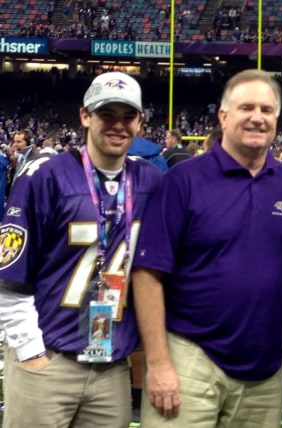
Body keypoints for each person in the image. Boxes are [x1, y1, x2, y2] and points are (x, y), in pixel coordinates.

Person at [131, 69, 282, 427]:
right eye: (246, 107)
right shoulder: (184, 180)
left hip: (266, 366)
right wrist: (159, 362)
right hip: (189, 356)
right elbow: (147, 274)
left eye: (267, 110)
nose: (257, 117)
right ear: (223, 116)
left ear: (278, 120)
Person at [0, 71, 162, 427]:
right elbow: (10, 277)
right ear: (85, 116)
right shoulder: (44, 175)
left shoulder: (149, 180)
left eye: (127, 116)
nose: (118, 126)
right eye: (107, 115)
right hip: (50, 360)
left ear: (140, 122)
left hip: (111, 368)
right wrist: (30, 352)